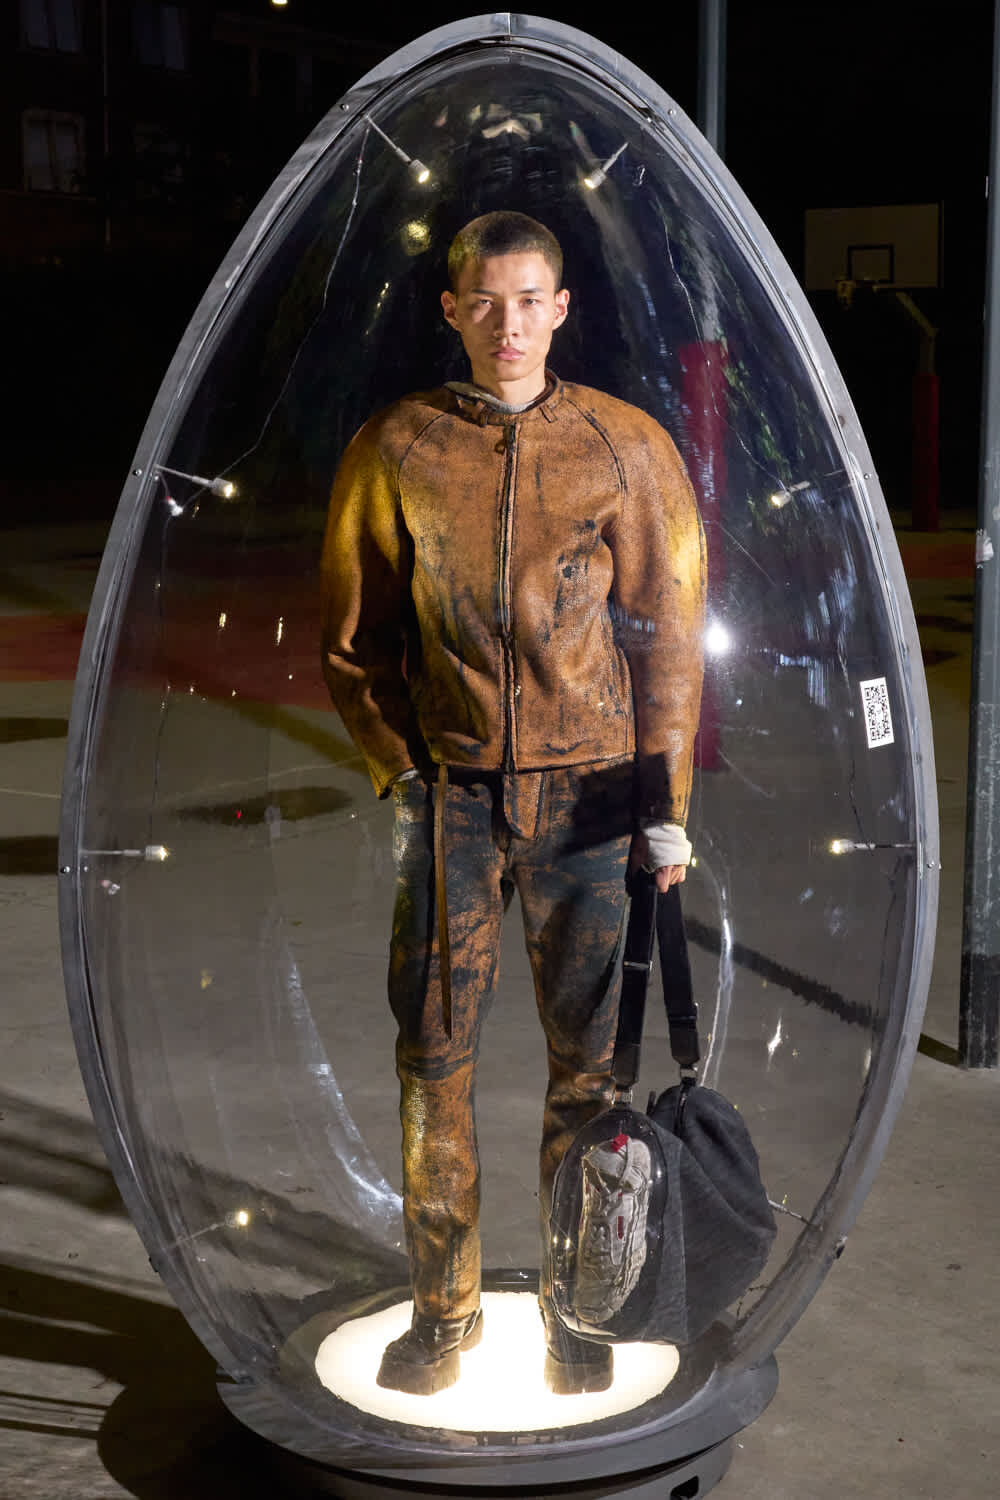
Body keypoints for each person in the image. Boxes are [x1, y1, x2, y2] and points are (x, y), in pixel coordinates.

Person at [321, 211, 705, 1398]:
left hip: (594, 808)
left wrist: (664, 809)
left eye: (529, 300)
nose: (508, 324)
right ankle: (443, 1317)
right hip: (451, 806)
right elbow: (352, 638)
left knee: (589, 1076)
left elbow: (669, 640)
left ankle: (576, 1318)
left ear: (561, 306)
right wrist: (403, 764)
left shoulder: (622, 446)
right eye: (484, 302)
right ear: (452, 310)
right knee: (432, 1062)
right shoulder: (396, 448)